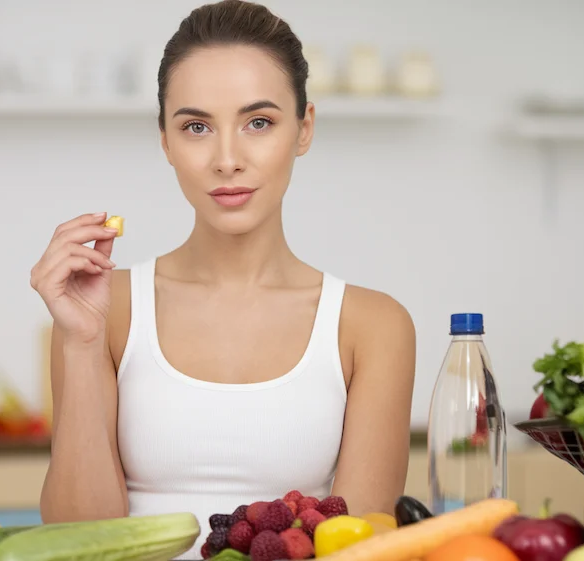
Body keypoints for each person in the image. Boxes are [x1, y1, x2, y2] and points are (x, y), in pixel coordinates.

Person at [29, 0, 416, 556]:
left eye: (258, 122)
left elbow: (358, 546)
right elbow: (77, 540)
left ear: (304, 129)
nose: (227, 159)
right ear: (165, 139)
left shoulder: (373, 326)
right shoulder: (103, 310)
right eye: (196, 127)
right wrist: (83, 342)